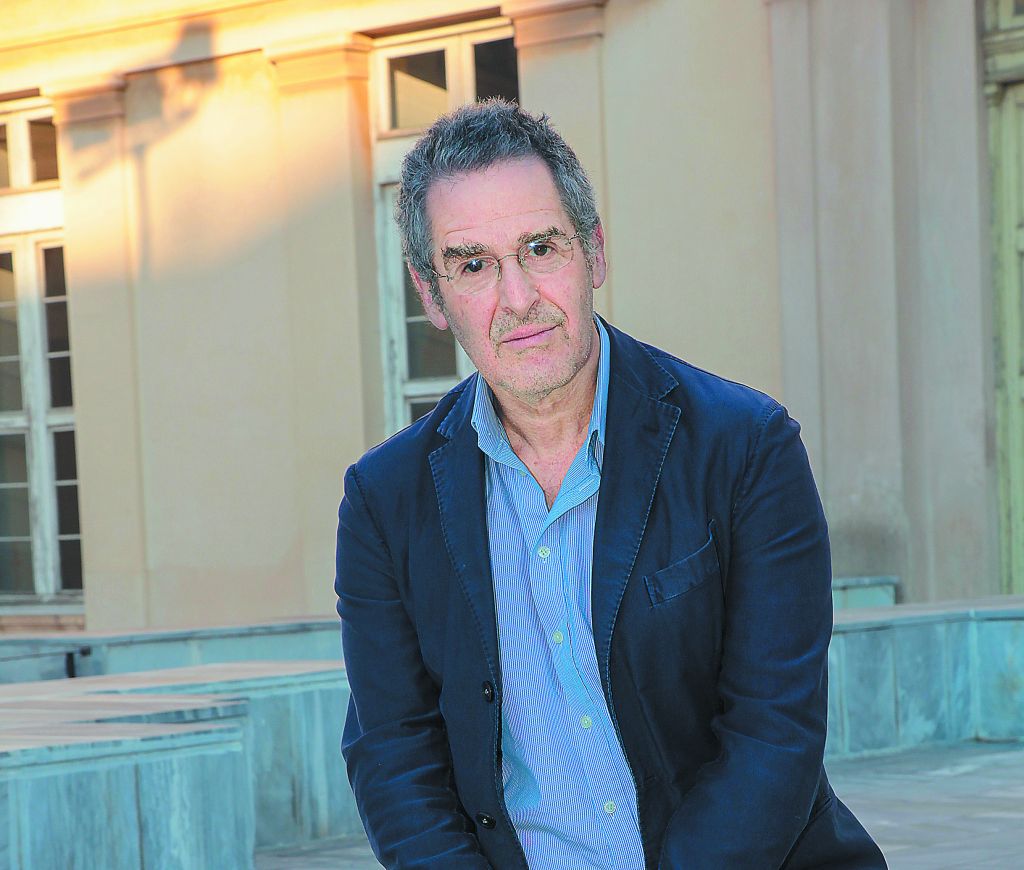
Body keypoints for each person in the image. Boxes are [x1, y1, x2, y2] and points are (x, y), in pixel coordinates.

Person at [335, 100, 885, 869]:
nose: (518, 298)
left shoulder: (746, 447)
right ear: (431, 295)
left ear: (593, 253)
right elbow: (395, 760)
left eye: (540, 247)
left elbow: (774, 735)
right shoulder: (383, 502)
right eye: (473, 264)